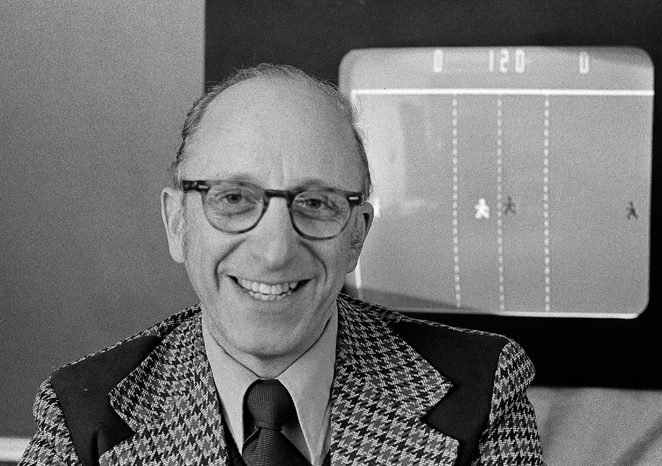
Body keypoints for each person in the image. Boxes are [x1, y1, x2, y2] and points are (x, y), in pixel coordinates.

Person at [21, 64, 543, 465]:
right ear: (177, 222)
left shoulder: (482, 393)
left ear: (356, 234)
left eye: (315, 204)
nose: (274, 252)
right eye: (233, 198)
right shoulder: (81, 416)